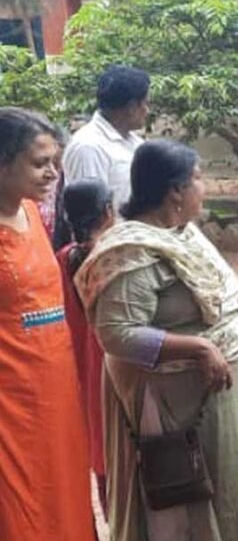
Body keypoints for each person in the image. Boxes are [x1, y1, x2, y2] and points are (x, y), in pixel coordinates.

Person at [77, 140, 238, 541]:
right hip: (165, 399)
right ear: (176, 191)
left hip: (212, 398)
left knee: (220, 485)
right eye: (200, 179)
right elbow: (118, 334)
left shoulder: (182, 233)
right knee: (174, 493)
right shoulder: (129, 252)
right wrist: (200, 350)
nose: (205, 188)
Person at [0, 107, 97, 541]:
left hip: (49, 398)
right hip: (6, 404)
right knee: (7, 533)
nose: (51, 174)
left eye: (53, 163)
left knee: (35, 530)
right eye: (39, 164)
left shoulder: (34, 216)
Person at [57, 179, 116, 513]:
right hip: (110, 357)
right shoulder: (111, 256)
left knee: (94, 436)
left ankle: (106, 513)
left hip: (75, 361)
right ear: (108, 212)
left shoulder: (62, 258)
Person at [63, 65, 150, 212]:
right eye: (146, 103)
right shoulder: (89, 147)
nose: (148, 111)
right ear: (131, 107)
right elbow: (89, 212)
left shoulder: (136, 143)